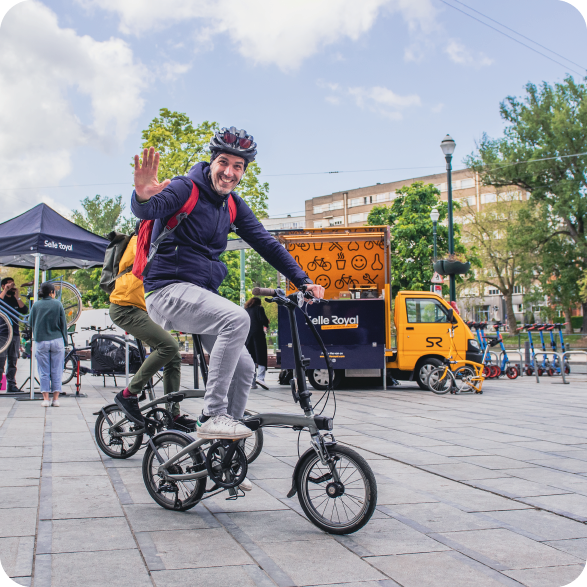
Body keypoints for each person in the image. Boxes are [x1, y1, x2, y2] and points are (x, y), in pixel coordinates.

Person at [129, 128, 324, 444]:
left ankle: (224, 453)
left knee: (243, 368)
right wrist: (140, 194)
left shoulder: (232, 204)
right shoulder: (184, 187)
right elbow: (148, 209)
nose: (229, 172)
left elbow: (265, 242)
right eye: (224, 162)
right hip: (166, 290)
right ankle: (212, 415)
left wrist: (303, 281)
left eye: (238, 167)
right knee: (238, 318)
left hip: (200, 297)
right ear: (212, 161)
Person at [111, 232, 196, 428]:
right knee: (168, 346)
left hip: (142, 308)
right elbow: (154, 262)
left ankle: (172, 415)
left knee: (173, 355)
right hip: (125, 307)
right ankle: (128, 393)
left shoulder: (154, 239)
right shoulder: (139, 240)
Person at [29, 282, 67, 407]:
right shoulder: (57, 304)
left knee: (43, 370)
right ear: (51, 292)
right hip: (57, 340)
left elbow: (30, 322)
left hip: (41, 340)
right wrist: (65, 341)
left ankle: (45, 399)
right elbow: (63, 325)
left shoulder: (36, 305)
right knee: (57, 370)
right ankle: (56, 399)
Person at [0, 277, 28, 392]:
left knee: (13, 360)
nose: (11, 286)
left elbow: (24, 310)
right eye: (8, 284)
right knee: (1, 360)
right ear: (3, 286)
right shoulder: (2, 297)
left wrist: (17, 297)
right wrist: (5, 290)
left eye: (13, 284)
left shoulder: (15, 299)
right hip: (2, 334)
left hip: (15, 334)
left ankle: (12, 384)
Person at [244, 297, 269, 388]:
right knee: (261, 355)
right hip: (258, 334)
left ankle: (252, 382)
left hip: (248, 335)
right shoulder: (259, 308)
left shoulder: (246, 310)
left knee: (251, 358)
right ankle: (260, 378)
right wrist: (266, 323)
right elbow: (263, 319)